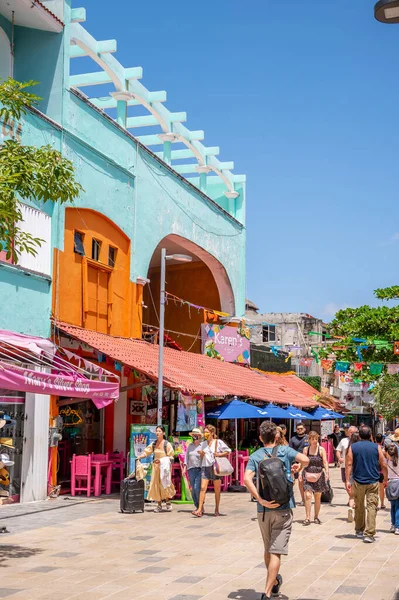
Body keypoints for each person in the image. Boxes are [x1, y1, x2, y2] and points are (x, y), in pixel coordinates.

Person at [244, 421, 309, 600]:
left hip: (263, 510)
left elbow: (246, 479)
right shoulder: (285, 452)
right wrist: (298, 468)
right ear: (277, 436)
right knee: (276, 551)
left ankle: (273, 582)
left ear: (260, 438)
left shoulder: (256, 456)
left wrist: (260, 499)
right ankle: (267, 593)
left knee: (268, 549)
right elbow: (306, 459)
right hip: (284, 508)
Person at [346, 425, 388, 543]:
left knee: (359, 506)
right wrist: (385, 478)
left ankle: (359, 530)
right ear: (370, 435)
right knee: (371, 506)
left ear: (359, 435)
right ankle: (369, 534)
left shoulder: (353, 447)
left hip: (358, 481)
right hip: (373, 481)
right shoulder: (376, 447)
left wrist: (347, 480)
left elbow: (349, 464)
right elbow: (383, 463)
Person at [192, 424, 231, 518]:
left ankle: (217, 509)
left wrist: (219, 454)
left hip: (215, 467)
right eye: (204, 432)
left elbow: (228, 450)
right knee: (202, 488)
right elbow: (202, 457)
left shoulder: (218, 442)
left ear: (212, 433)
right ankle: (199, 509)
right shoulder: (203, 444)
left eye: (207, 432)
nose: (205, 434)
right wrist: (201, 454)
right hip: (205, 467)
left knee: (217, 489)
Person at [137, 425, 175, 513]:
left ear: (163, 433)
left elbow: (171, 457)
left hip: (165, 468)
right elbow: (147, 452)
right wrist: (139, 457)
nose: (157, 433)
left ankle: (167, 501)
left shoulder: (167, 444)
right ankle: (159, 504)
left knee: (165, 483)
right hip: (156, 467)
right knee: (156, 484)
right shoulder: (154, 444)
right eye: (156, 431)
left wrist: (161, 460)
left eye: (159, 431)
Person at [302, 431, 329, 525]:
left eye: (316, 439)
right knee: (308, 496)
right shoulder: (306, 449)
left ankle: (316, 517)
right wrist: (301, 471)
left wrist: (327, 472)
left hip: (319, 475)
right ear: (309, 440)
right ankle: (307, 517)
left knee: (317, 497)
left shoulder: (321, 450)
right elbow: (303, 462)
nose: (314, 441)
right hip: (308, 474)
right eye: (312, 439)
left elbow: (325, 462)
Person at [183, 428, 203, 513]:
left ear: (200, 436)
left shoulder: (203, 445)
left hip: (200, 469)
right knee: (193, 489)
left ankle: (200, 506)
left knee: (196, 488)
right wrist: (184, 468)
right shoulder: (190, 446)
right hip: (191, 469)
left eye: (197, 435)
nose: (195, 436)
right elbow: (186, 457)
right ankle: (197, 505)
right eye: (194, 435)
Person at [336, 425, 357, 505]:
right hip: (345, 465)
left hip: (355, 466)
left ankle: (353, 498)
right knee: (346, 482)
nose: (351, 434)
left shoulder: (359, 441)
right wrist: (339, 458)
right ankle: (351, 497)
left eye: (353, 432)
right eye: (350, 432)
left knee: (355, 483)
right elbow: (338, 450)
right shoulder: (344, 441)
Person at [289, 423, 309, 504]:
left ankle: (307, 497)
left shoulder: (308, 438)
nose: (299, 430)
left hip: (306, 462)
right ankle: (303, 499)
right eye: (298, 429)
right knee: (298, 481)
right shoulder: (293, 439)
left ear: (304, 429)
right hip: (296, 463)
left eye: (301, 428)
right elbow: (290, 452)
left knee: (305, 480)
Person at [385, 443, 399, 534]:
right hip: (398, 483)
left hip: (390, 484)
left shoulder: (386, 463)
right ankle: (398, 526)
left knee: (392, 506)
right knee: (398, 507)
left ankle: (393, 525)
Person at [375, 433, 387, 510]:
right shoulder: (383, 449)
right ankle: (382, 503)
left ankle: (376, 503)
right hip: (381, 471)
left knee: (375, 489)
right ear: (382, 440)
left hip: (374, 471)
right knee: (382, 489)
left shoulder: (373, 448)